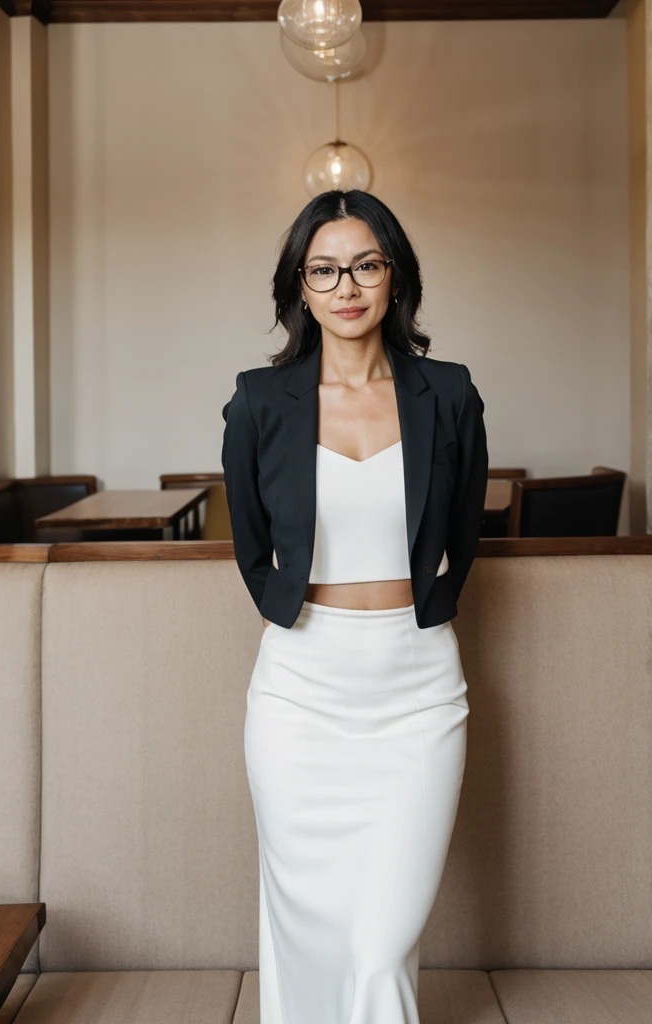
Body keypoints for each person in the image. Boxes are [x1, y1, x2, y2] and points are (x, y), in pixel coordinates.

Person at [221, 189, 488, 1024]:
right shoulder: (260, 403)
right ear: (300, 286)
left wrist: (434, 604)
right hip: (300, 695)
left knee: (380, 944)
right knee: (312, 934)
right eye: (325, 269)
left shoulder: (448, 394)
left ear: (395, 276)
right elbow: (251, 541)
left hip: (418, 695)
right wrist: (288, 613)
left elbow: (466, 524)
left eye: (366, 264)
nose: (347, 286)